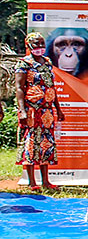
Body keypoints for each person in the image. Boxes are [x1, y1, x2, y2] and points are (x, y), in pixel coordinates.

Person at [16, 32, 65, 190]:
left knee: (47, 143)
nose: (40, 48)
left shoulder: (48, 62)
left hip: (47, 111)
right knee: (32, 142)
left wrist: (58, 109)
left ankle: (46, 181)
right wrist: (22, 110)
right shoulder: (24, 64)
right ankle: (32, 182)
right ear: (28, 45)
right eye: (36, 44)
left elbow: (52, 87)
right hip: (32, 109)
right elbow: (19, 88)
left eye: (42, 44)